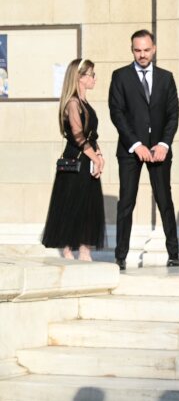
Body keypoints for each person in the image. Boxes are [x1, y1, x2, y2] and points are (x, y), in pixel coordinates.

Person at [108, 29, 179, 270]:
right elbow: (116, 112)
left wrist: (164, 144)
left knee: (165, 200)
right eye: (137, 50)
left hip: (160, 150)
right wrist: (136, 144)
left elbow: (173, 114)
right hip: (130, 150)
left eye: (146, 50)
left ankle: (173, 254)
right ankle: (120, 257)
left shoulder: (166, 78)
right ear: (132, 50)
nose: (142, 54)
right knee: (126, 202)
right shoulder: (120, 76)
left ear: (154, 49)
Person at [41, 58, 106, 261]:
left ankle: (85, 250)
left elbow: (91, 135)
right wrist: (95, 157)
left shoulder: (85, 103)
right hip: (75, 161)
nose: (94, 78)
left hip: (88, 159)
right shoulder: (72, 103)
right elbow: (78, 136)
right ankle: (68, 250)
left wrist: (99, 155)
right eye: (91, 74)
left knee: (89, 204)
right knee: (72, 203)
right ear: (80, 77)